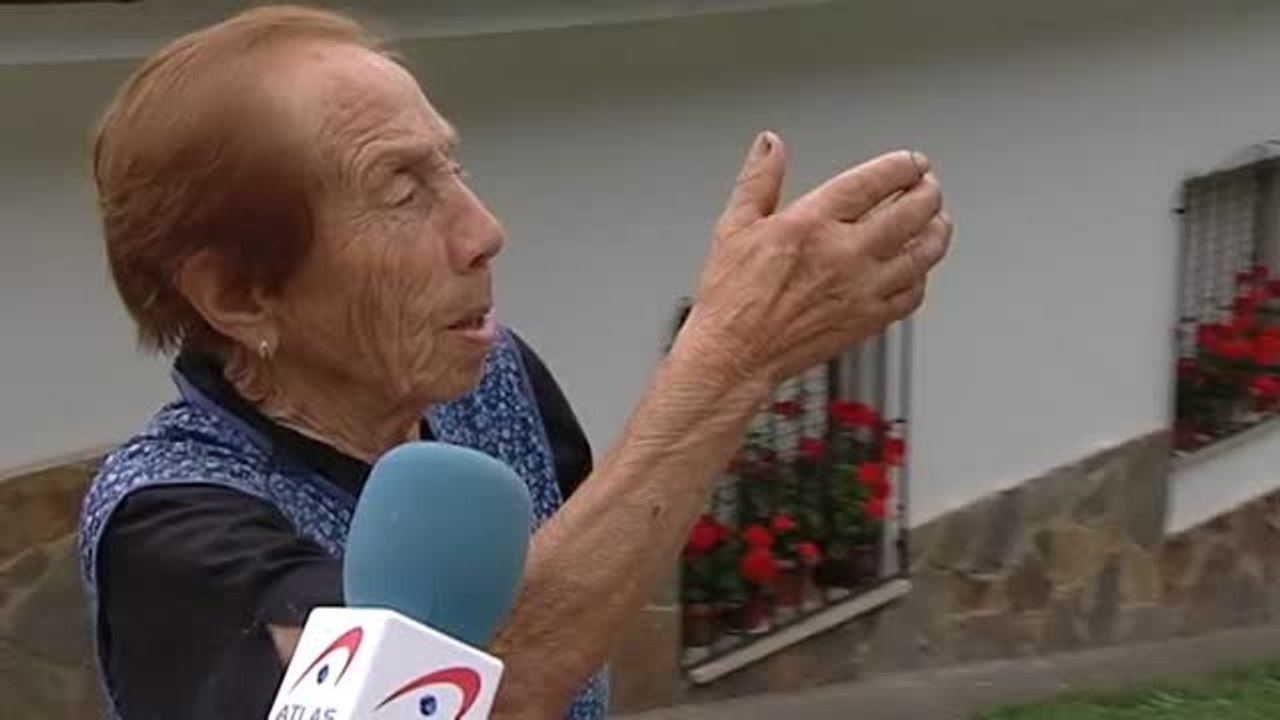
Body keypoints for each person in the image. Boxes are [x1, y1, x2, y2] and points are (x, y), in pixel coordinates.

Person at [76, 6, 951, 720]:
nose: (484, 231)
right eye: (401, 189)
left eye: (451, 166)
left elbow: (581, 605)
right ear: (238, 295)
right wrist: (725, 362)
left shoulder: (490, 378)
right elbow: (433, 703)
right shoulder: (172, 528)